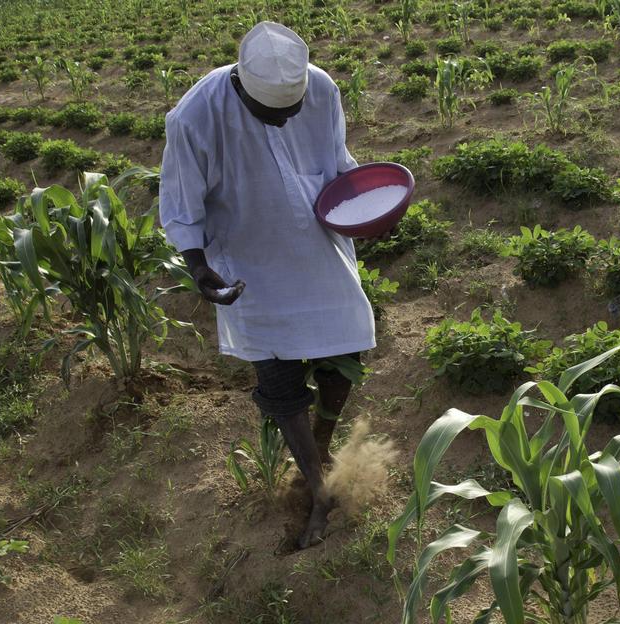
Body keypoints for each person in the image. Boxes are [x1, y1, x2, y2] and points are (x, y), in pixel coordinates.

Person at [158, 21, 375, 548]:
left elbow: (339, 164)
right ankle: (320, 491)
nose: (286, 118)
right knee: (277, 375)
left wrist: (372, 208)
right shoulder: (194, 116)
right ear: (240, 86)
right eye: (272, 113)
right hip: (246, 258)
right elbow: (181, 201)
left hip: (317, 245)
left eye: (292, 110)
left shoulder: (319, 88)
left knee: (345, 347)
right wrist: (197, 265)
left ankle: (318, 448)